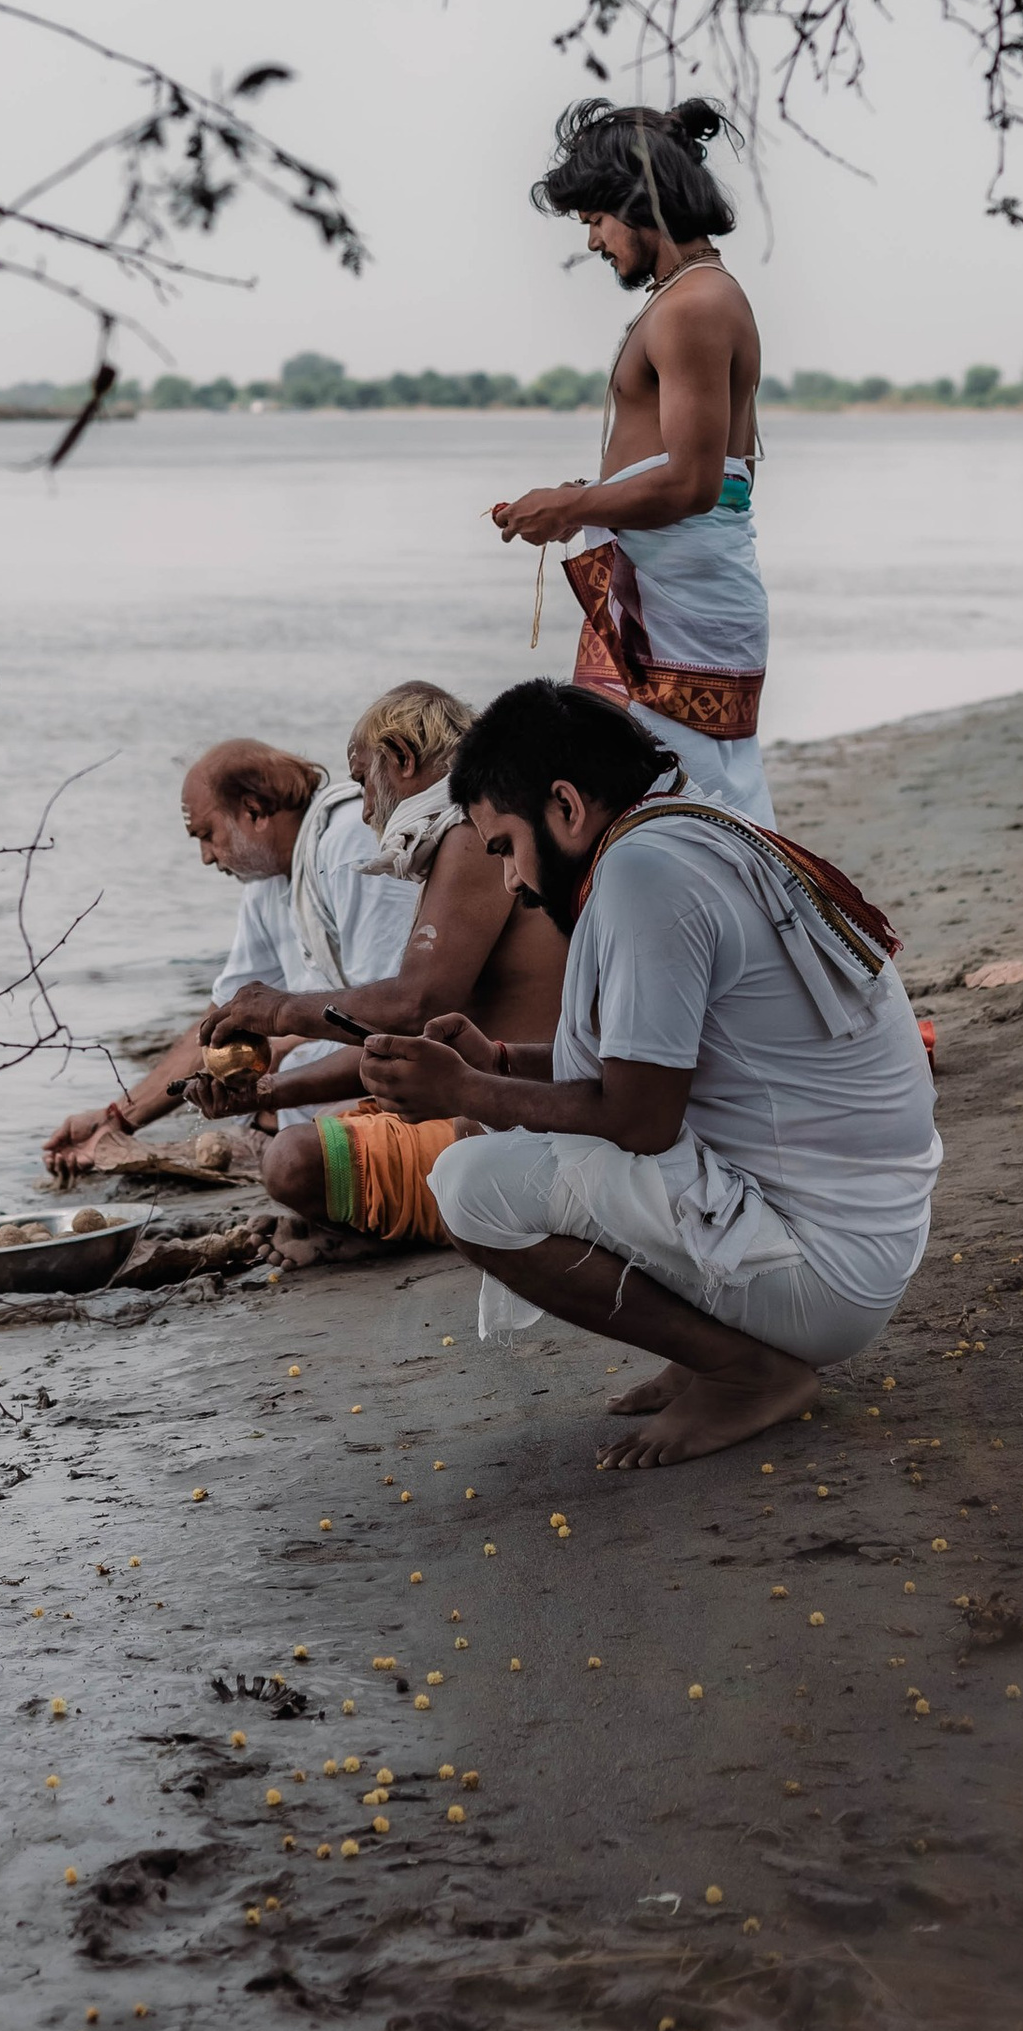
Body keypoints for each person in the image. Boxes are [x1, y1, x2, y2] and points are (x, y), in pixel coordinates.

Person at [354, 680, 939, 1469]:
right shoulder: (689, 824)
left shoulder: (643, 873)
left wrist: (462, 1091)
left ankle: (743, 1372)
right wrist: (497, 1063)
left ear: (566, 807)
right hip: (867, 1237)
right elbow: (664, 1067)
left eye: (505, 848)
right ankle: (713, 1352)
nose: (512, 882)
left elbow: (639, 1118)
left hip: (829, 1273)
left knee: (469, 1187)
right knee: (512, 1148)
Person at [205, 681, 569, 1248]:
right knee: (316, 1132)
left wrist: (281, 1011)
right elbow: (407, 1033)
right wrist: (266, 1093)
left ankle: (425, 1227)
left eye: (362, 782)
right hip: (504, 1102)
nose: (365, 810)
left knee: (294, 1159)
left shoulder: (473, 833)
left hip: (535, 1116)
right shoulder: (460, 837)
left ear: (401, 757)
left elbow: (414, 1004)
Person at [487, 96, 772, 819]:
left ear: (639, 201)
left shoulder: (693, 306)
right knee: (648, 798)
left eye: (595, 221)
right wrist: (579, 500)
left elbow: (695, 484)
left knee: (688, 806)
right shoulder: (686, 296)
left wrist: (575, 505)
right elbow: (675, 468)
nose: (593, 243)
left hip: (685, 601)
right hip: (675, 590)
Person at [42, 736, 418, 1175]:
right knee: (250, 1064)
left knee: (286, 1069)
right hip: (338, 1080)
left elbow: (395, 1013)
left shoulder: (347, 844)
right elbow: (221, 1019)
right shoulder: (266, 882)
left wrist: (286, 1042)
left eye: (207, 835)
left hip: (410, 1065)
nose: (205, 857)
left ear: (254, 810)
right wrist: (117, 1119)